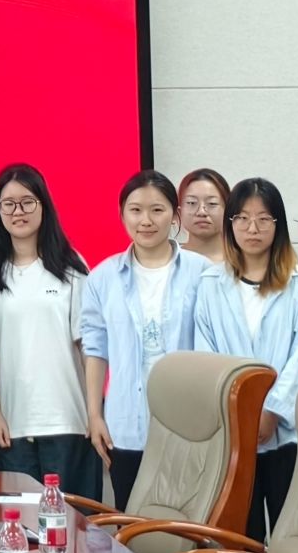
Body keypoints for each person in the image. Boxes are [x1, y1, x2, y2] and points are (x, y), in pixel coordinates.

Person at [192, 179, 298, 542]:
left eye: (264, 219)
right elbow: (207, 356)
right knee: (239, 535)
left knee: (290, 535)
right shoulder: (210, 283)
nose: (252, 228)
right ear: (230, 223)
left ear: (278, 225)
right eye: (243, 218)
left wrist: (272, 411)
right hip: (232, 431)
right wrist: (240, 413)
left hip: (284, 433)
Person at [81, 170, 206, 507]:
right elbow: (95, 350)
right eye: (135, 210)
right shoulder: (103, 277)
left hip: (188, 427)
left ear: (175, 215)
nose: (146, 220)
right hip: (126, 424)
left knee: (184, 523)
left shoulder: (202, 272)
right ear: (122, 214)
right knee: (132, 519)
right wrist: (95, 415)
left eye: (157, 210)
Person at [0, 163, 96, 498]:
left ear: (44, 206)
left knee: (73, 522)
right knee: (23, 522)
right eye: (8, 204)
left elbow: (88, 346)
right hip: (13, 425)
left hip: (69, 419)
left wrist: (95, 413)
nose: (18, 212)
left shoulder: (71, 266)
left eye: (27, 202)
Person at [177, 168, 231, 267]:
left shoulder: (244, 261)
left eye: (212, 203)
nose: (201, 212)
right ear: (179, 211)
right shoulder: (170, 261)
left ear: (227, 210)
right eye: (192, 203)